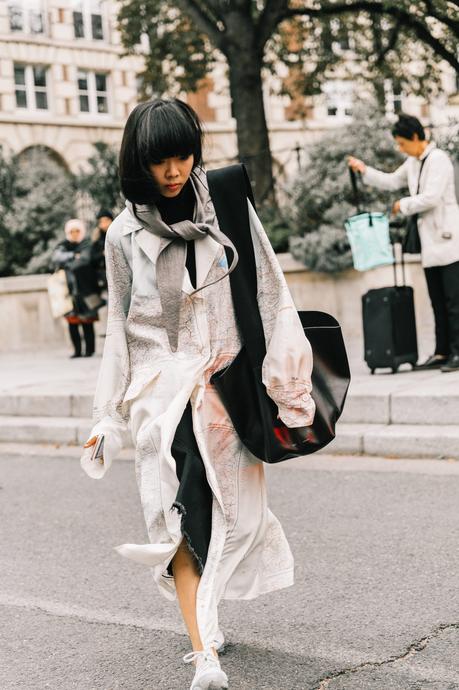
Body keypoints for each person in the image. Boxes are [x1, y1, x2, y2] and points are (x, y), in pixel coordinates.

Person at [80, 98, 315, 690]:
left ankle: (205, 620)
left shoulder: (227, 205)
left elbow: (272, 291)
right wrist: (107, 414)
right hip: (161, 396)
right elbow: (119, 327)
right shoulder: (125, 235)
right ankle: (205, 652)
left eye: (182, 155)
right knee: (178, 516)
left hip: (226, 391)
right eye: (159, 160)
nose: (173, 171)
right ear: (139, 162)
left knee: (232, 517)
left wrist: (288, 386)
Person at [349, 113, 459, 373]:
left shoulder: (439, 159)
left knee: (454, 302)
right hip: (431, 244)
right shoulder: (413, 162)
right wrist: (364, 170)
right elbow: (390, 181)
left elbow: (431, 197)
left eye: (401, 142)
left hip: (449, 240)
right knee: (437, 301)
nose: (400, 148)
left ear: (414, 137)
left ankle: (457, 351)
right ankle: (442, 352)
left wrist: (403, 205)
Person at [52, 219, 100, 358]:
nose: (74, 234)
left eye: (77, 231)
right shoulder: (63, 245)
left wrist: (68, 262)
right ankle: (77, 351)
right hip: (69, 290)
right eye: (71, 231)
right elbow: (56, 258)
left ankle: (89, 351)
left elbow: (84, 260)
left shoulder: (86, 245)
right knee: (72, 322)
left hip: (85, 288)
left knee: (87, 321)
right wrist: (73, 256)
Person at [91, 208, 114, 293]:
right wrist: (103, 254)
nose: (104, 224)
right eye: (101, 222)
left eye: (106, 220)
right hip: (105, 272)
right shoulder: (97, 239)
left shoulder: (117, 234)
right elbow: (92, 259)